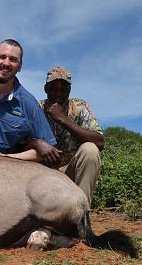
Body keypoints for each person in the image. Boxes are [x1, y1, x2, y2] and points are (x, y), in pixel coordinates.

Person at [29, 66, 104, 204]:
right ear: (46, 89)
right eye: (53, 88)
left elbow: (99, 142)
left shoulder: (80, 107)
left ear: (69, 90)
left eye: (63, 89)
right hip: (42, 173)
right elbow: (20, 140)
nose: (58, 93)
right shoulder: (36, 108)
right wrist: (36, 143)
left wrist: (63, 119)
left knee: (90, 150)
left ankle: (82, 214)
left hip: (71, 171)